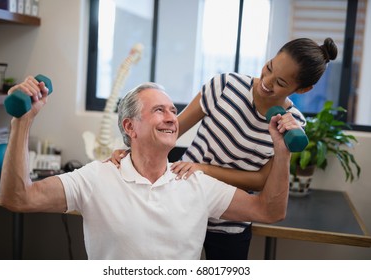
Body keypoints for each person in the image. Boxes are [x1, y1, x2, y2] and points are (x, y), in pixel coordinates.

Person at [0, 79, 294, 260]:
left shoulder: (195, 182)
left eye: (173, 111)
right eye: (158, 111)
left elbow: (270, 211)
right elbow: (18, 198)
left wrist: (282, 152)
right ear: (130, 126)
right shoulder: (97, 177)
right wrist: (22, 122)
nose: (171, 118)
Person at [111, 37, 338, 260]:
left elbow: (260, 180)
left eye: (280, 83)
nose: (266, 82)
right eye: (268, 68)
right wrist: (130, 152)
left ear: (303, 89)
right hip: (183, 204)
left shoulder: (292, 123)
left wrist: (204, 170)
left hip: (231, 221)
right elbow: (173, 131)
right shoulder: (225, 85)